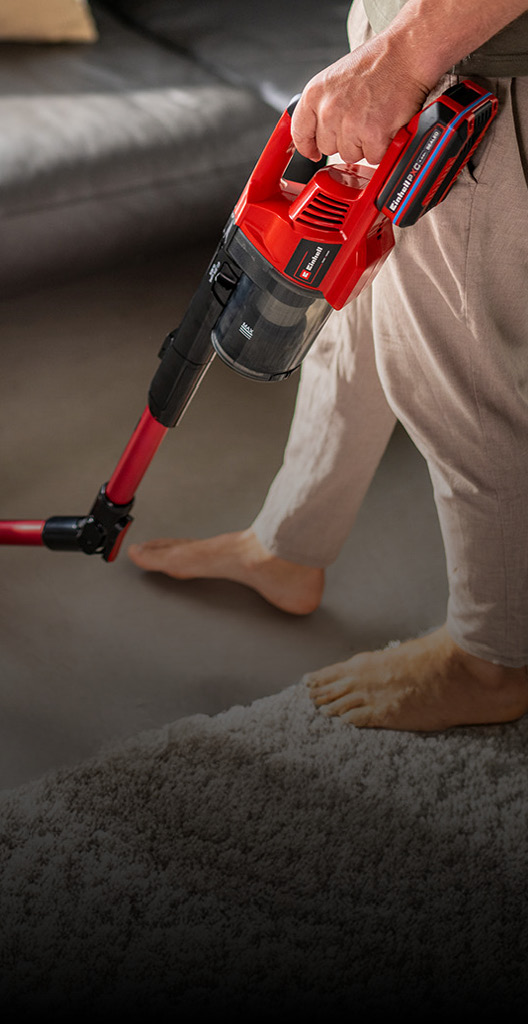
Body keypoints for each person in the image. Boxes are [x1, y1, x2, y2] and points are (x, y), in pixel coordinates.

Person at [128, 0, 528, 732]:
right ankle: (288, 546)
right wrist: (385, 48)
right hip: (406, 54)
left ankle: (492, 660)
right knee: (347, 324)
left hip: (478, 71)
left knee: (458, 384)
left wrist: (404, 57)